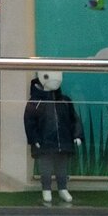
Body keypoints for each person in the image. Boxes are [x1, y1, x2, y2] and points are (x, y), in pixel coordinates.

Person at [24, 70, 83, 205]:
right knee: (46, 167)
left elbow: (74, 119)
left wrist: (77, 135)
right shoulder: (35, 102)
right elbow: (29, 121)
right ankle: (46, 189)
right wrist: (34, 138)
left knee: (62, 167)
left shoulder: (65, 101)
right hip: (45, 143)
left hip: (63, 142)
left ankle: (63, 188)